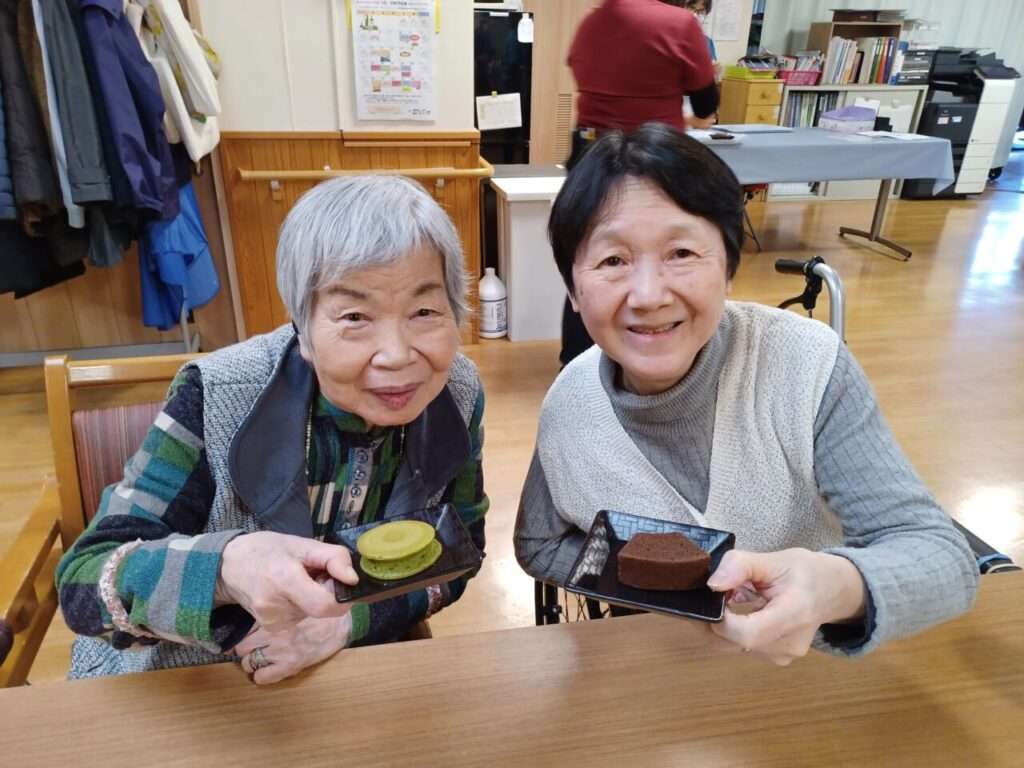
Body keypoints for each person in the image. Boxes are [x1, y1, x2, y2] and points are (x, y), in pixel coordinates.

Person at [514, 123, 978, 664]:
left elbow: (941, 557)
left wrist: (834, 586)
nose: (648, 295)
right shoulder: (570, 403)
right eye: (612, 261)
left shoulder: (804, 364)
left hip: (815, 661)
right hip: (660, 664)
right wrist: (657, 589)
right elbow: (538, 543)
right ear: (573, 290)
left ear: (729, 266)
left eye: (681, 252)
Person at [56, 175, 489, 683]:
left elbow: (461, 547)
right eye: (354, 316)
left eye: (424, 311)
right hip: (190, 685)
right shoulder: (218, 395)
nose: (396, 355)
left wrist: (349, 621)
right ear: (302, 329)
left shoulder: (455, 392)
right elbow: (85, 583)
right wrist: (223, 568)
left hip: (355, 677)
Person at [562, 0, 719, 366]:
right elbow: (705, 104)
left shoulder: (591, 24)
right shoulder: (679, 23)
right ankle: (661, 354)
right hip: (653, 162)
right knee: (666, 259)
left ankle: (577, 362)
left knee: (592, 261)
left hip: (590, 155)